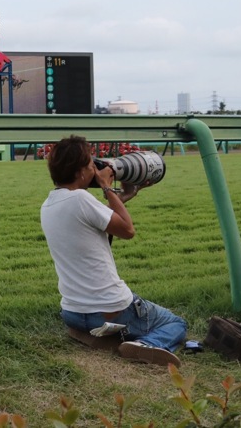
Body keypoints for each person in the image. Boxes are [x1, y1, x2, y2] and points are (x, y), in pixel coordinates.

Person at [40, 135, 187, 367]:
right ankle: (145, 345)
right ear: (80, 173)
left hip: (73, 312)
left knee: (104, 318)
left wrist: (123, 197)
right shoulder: (80, 198)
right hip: (110, 309)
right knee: (175, 324)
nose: (95, 170)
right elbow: (127, 230)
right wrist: (107, 187)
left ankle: (94, 336)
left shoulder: (49, 204)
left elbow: (97, 225)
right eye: (91, 165)